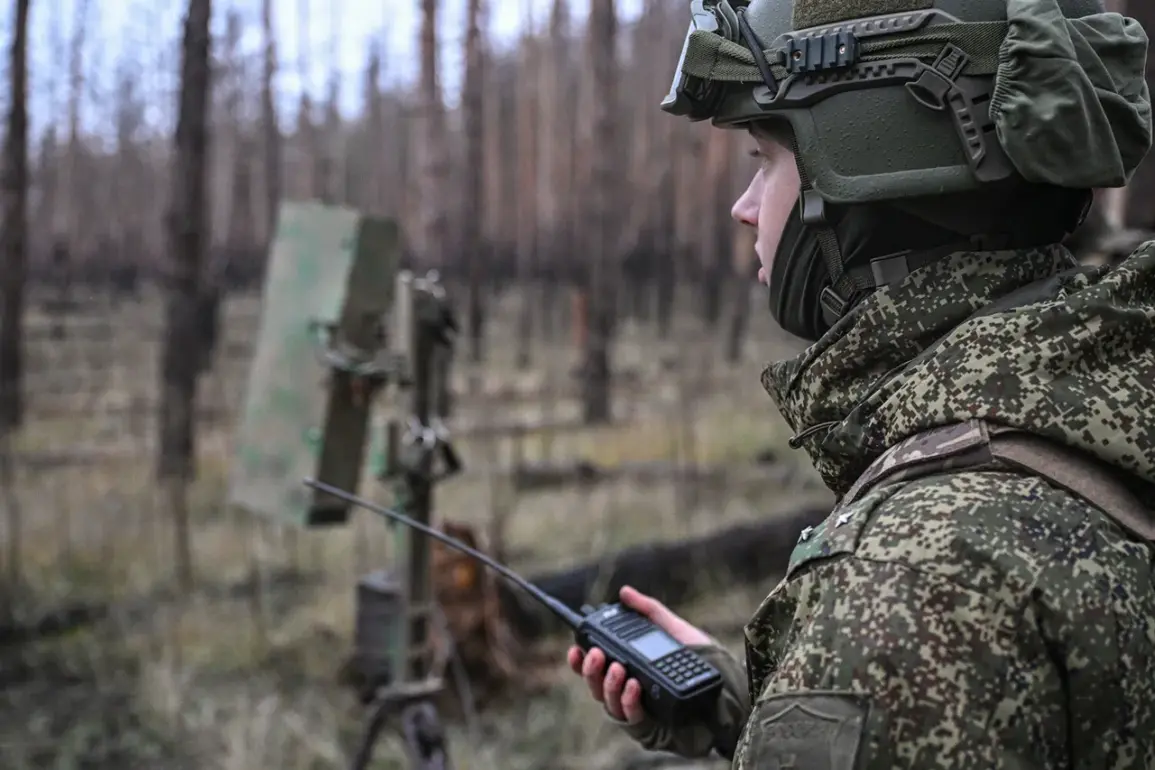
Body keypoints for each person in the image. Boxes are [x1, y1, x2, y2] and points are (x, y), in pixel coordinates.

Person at [567, 0, 1155, 767]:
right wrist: (786, 712)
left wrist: (853, 655)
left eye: (763, 161)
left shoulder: (915, 579)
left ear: (865, 168)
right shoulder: (1096, 408)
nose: (744, 209)